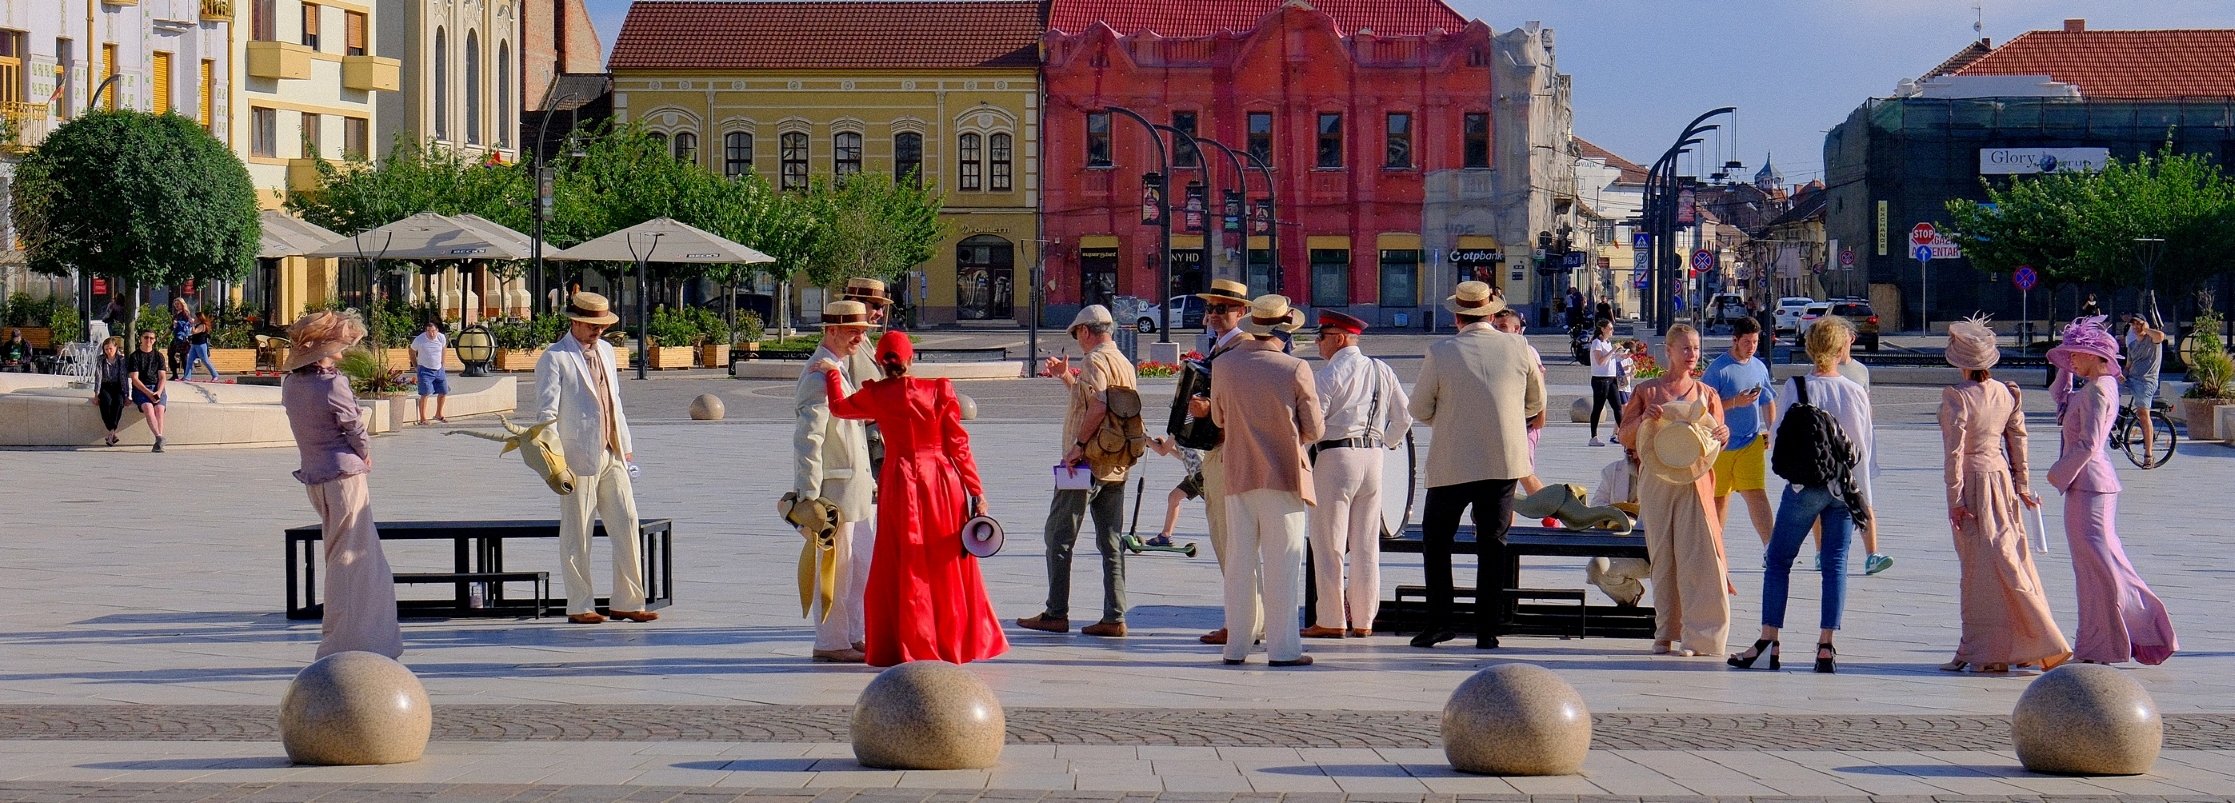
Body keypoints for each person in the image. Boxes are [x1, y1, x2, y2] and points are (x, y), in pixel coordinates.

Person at [816, 331, 1009, 666]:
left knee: (903, 562)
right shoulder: (938, 391)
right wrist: (976, 491)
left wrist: (832, 373)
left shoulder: (876, 395)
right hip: (942, 484)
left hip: (900, 482)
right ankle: (952, 641)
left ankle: (908, 641)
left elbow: (838, 408)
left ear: (880, 361)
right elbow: (958, 446)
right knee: (944, 562)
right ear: (911, 360)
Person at [1407, 281, 1544, 649]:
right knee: (1493, 543)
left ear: (1457, 316)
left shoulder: (1440, 351)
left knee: (1436, 542)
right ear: (1492, 313)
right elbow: (1536, 403)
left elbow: (1419, 409)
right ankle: (1487, 629)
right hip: (1502, 462)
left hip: (1452, 461)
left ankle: (1439, 623)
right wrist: (1504, 419)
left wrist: (1454, 419)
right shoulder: (1519, 346)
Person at [1729, 316, 1868, 673]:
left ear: (1810, 348)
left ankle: (1769, 640)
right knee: (1835, 564)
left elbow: (1778, 434)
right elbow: (1864, 450)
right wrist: (1859, 498)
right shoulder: (1855, 391)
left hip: (1804, 486)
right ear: (1840, 349)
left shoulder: (1797, 386)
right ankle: (1826, 646)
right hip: (1841, 486)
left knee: (1778, 560)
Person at [1936, 317, 2070, 673]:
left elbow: (1954, 452)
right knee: (2012, 559)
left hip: (1974, 484)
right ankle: (2014, 645)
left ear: (1961, 363)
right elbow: (2018, 442)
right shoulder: (2007, 393)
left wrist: (1955, 499)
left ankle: (1988, 649)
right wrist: (2022, 486)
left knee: (1979, 571)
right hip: (2002, 483)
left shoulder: (1957, 398)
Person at [2046, 318, 2177, 666]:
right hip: (2085, 485)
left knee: (2101, 566)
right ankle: (2104, 640)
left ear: (2097, 356)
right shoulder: (2096, 386)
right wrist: (2066, 369)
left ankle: (2126, 636)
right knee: (2095, 566)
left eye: (2077, 354)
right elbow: (2060, 400)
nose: (2071, 358)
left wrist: (2056, 474)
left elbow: (2088, 444)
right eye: (2069, 354)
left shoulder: (2099, 390)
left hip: (2090, 483)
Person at [1200, 294, 1321, 666]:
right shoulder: (1295, 368)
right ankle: (1283, 650)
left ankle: (1236, 646)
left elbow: (1218, 420)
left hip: (1237, 473)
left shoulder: (1225, 366)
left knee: (1239, 562)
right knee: (1282, 563)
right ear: (1285, 330)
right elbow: (1314, 429)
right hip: (1283, 475)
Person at [281, 311, 404, 659]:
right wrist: (365, 454)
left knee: (342, 555)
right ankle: (351, 641)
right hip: (344, 477)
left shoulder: (292, 383)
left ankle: (354, 637)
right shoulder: (331, 384)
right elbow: (354, 427)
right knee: (356, 560)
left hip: (315, 476)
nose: (344, 350)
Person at [534, 292, 658, 626]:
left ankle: (628, 601)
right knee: (577, 531)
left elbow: (613, 401)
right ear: (574, 322)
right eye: (592, 325)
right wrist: (554, 461)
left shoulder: (605, 351)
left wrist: (625, 444)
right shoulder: (554, 358)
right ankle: (579, 604)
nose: (598, 332)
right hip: (575, 458)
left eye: (602, 325)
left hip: (611, 451)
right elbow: (545, 414)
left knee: (628, 521)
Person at [1018, 305, 1139, 638]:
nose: (1077, 341)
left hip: (1084, 464)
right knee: (1112, 542)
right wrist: (1066, 377)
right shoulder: (1124, 363)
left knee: (1058, 536)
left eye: (1076, 335)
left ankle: (1056, 613)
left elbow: (1099, 404)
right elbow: (1095, 400)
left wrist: (1078, 446)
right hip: (1116, 464)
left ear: (1086, 331)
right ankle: (1115, 616)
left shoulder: (1095, 360)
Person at [1618, 324, 1730, 657]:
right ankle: (1664, 632)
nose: (1692, 354)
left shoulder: (1707, 394)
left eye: (1695, 348)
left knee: (1698, 556)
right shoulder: (1647, 391)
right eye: (1685, 348)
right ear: (1667, 351)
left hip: (1695, 480)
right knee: (1663, 557)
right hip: (1656, 478)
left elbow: (1716, 441)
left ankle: (1701, 637)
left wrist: (1722, 434)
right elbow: (1625, 436)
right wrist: (1642, 421)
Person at [1303, 310, 1409, 639]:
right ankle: (1364, 619)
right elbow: (1404, 417)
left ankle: (1332, 619)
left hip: (1335, 457)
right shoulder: (1382, 370)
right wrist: (1386, 443)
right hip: (1373, 457)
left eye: (1322, 336)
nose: (1318, 343)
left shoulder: (1327, 375)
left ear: (1340, 338)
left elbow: (1313, 425)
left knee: (1329, 544)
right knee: (1365, 546)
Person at [792, 300, 879, 662]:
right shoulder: (818, 374)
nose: (861, 337)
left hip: (854, 490)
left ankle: (854, 633)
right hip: (833, 492)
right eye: (854, 330)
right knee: (835, 570)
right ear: (832, 330)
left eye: (863, 330)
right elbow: (808, 440)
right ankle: (830, 642)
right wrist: (809, 496)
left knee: (860, 566)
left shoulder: (836, 369)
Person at [1189, 278, 1254, 646]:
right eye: (1211, 308)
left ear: (1241, 312)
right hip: (1216, 449)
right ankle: (1246, 620)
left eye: (1223, 308)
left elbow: (1244, 405)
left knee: (1229, 539)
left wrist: (1209, 409)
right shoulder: (1219, 348)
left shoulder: (1240, 349)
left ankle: (1239, 623)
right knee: (1228, 540)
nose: (1214, 314)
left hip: (1227, 451)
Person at [1702, 317, 1776, 547]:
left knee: (1756, 494)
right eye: (1747, 342)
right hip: (1720, 445)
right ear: (1734, 340)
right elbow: (1703, 407)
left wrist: (1772, 431)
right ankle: (1714, 547)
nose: (1752, 347)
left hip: (1750, 442)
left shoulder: (1759, 366)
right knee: (1719, 498)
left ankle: (1769, 548)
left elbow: (1768, 400)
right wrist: (1736, 401)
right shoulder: (1718, 370)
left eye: (1755, 342)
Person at [1587, 447, 1652, 606]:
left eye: (1637, 450)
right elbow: (1596, 507)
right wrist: (1619, 514)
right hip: (1623, 548)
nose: (1633, 456)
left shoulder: (1664, 477)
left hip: (1656, 553)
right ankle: (1630, 596)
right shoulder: (1613, 472)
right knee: (1597, 567)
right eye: (1629, 451)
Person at [1492, 309, 1547, 495]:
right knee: (1508, 480)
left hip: (1527, 422)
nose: (1498, 331)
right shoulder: (1496, 351)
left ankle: (1551, 515)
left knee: (1523, 472)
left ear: (1516, 329)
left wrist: (1541, 415)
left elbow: (1540, 386)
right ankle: (1508, 524)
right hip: (1506, 422)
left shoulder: (1528, 351)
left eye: (1502, 327)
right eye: (1495, 327)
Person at [1143, 436, 1203, 546]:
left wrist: (1147, 440)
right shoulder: (1192, 427)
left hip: (1200, 476)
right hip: (1196, 473)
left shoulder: (1177, 428)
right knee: (1174, 497)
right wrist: (1168, 447)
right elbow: (1183, 456)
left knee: (1219, 508)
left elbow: (1162, 451)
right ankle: (1165, 535)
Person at [2123, 314, 2168, 457]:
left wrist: (2146, 328)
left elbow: (2161, 336)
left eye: (2139, 324)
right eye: (2133, 324)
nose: (2136, 327)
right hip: (2132, 379)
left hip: (2146, 382)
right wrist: (2121, 376)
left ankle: (2148, 454)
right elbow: (2128, 366)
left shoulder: (2152, 340)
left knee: (2143, 414)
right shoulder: (2132, 345)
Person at [126, 330, 169, 452]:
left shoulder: (159, 356)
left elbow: (162, 377)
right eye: (146, 337)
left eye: (151, 338)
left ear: (154, 340)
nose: (148, 340)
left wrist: (159, 392)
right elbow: (135, 379)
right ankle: (159, 437)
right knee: (148, 407)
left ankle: (159, 442)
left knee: (159, 409)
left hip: (157, 388)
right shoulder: (135, 356)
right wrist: (149, 393)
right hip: (141, 389)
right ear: (141, 339)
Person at [1586, 319, 1622, 446]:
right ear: (1603, 329)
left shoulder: (1607, 343)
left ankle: (1622, 435)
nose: (1612, 331)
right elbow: (1600, 361)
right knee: (1598, 407)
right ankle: (1593, 437)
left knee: (1618, 407)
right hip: (1600, 379)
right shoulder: (1597, 343)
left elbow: (1609, 360)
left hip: (1611, 378)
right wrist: (1612, 351)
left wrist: (1618, 354)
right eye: (1610, 328)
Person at [89, 337, 130, 446]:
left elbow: (123, 377)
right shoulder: (101, 359)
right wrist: (96, 394)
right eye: (106, 349)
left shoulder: (121, 360)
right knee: (106, 402)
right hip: (105, 386)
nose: (108, 351)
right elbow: (98, 376)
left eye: (110, 349)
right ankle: (112, 432)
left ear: (116, 348)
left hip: (117, 386)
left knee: (118, 402)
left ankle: (111, 433)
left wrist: (126, 395)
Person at [411, 321, 450, 425]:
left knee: (443, 391)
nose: (431, 334)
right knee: (425, 393)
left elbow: (444, 348)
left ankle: (439, 414)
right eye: (428, 331)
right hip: (425, 369)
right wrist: (415, 365)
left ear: (437, 331)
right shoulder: (420, 340)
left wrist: (443, 363)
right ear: (425, 331)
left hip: (439, 369)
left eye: (433, 331)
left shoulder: (441, 337)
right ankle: (423, 418)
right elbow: (411, 351)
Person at [183, 314, 218, 381]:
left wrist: (192, 324)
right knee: (189, 361)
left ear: (199, 318)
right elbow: (191, 332)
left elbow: (194, 332)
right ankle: (187, 377)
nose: (194, 319)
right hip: (194, 345)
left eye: (195, 318)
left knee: (205, 361)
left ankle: (215, 375)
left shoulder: (202, 326)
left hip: (201, 345)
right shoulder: (196, 325)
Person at [167, 298, 193, 379]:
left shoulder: (185, 313)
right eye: (175, 304)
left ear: (182, 304)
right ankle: (174, 374)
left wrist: (178, 323)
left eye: (178, 304)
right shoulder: (176, 315)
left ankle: (186, 375)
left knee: (183, 356)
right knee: (170, 353)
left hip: (183, 338)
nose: (176, 306)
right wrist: (164, 336)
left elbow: (189, 323)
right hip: (176, 337)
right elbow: (172, 327)